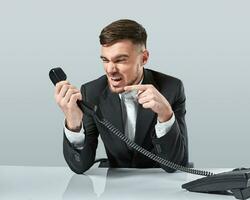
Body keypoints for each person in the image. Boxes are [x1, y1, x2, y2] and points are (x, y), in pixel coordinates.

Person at [54, 19, 188, 174]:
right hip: (115, 188)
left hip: (161, 186)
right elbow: (79, 166)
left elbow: (176, 165)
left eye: (120, 60)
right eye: (105, 60)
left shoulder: (171, 88)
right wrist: (73, 123)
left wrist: (165, 116)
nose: (110, 70)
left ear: (144, 58)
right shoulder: (91, 92)